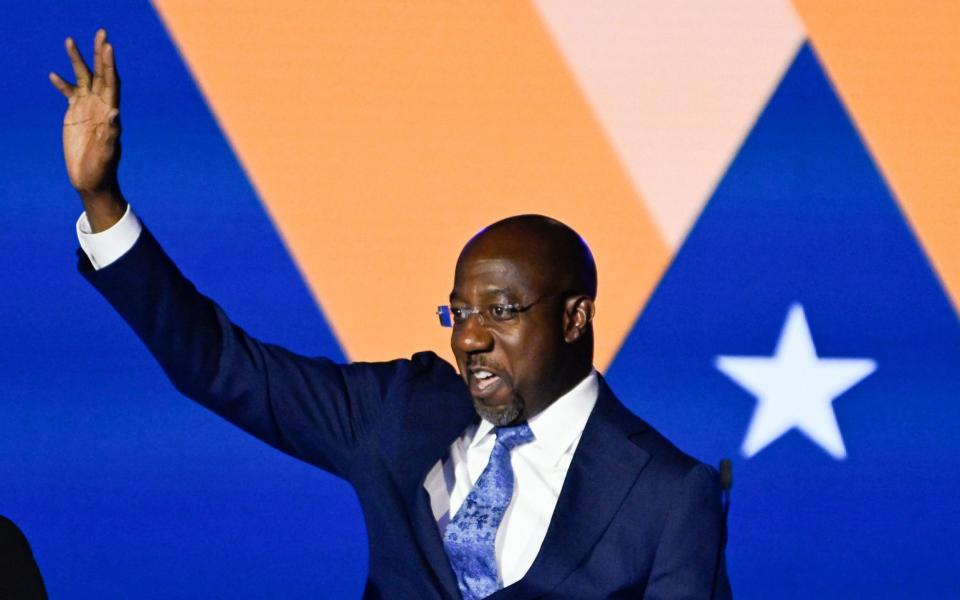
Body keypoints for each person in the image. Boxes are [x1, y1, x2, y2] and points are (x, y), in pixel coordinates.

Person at [51, 30, 731, 599]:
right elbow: (218, 364)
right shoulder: (399, 413)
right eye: (459, 311)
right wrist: (103, 200)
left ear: (575, 318)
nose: (469, 337)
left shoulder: (670, 496)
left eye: (500, 311)